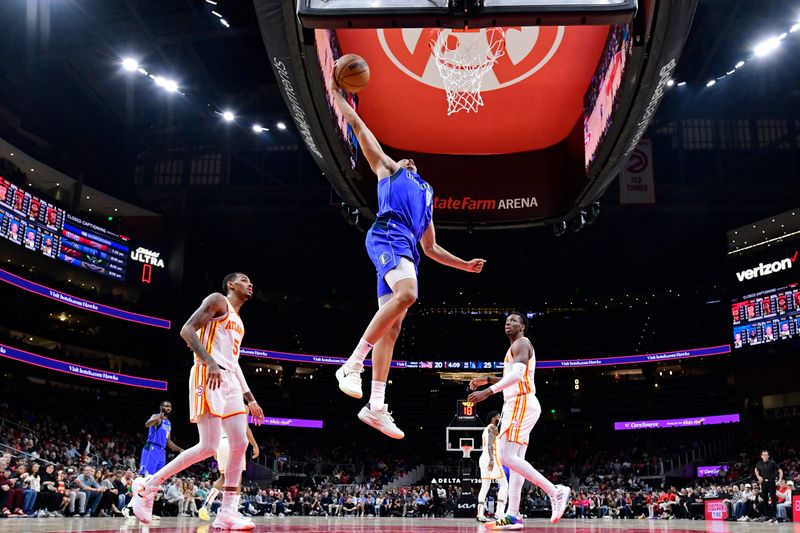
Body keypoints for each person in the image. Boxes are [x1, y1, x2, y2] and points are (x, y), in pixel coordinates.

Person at [329, 74, 486, 439]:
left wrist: (464, 264)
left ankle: (376, 406)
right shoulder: (389, 170)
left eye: (414, 159)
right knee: (409, 295)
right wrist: (339, 96)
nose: (410, 159)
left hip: (407, 251)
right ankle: (351, 364)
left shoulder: (428, 195)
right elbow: (358, 126)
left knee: (394, 325)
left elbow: (430, 247)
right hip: (387, 236)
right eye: (405, 157)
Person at [131, 272, 265, 530]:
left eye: (251, 281)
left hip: (230, 383)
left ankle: (227, 512)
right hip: (208, 374)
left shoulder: (239, 322)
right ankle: (148, 487)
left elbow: (234, 363)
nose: (251, 284)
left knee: (239, 444)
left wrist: (250, 398)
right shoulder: (218, 301)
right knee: (209, 445)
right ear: (230, 284)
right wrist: (210, 361)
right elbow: (186, 330)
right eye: (245, 280)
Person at [468, 313, 570, 529]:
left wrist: (488, 391)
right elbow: (513, 375)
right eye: (507, 320)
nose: (508, 322)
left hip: (520, 403)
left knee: (505, 456)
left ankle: (555, 491)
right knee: (516, 463)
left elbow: (517, 377)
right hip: (519, 404)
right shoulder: (516, 347)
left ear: (523, 326)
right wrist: (488, 378)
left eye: (514, 320)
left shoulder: (521, 343)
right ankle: (513, 515)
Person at [198, 420, 260, 521]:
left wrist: (215, 446)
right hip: (234, 443)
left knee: (223, 477)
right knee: (237, 479)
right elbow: (246, 429)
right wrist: (255, 445)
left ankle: (206, 506)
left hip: (220, 443)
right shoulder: (243, 406)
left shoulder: (220, 405)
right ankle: (233, 512)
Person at [477, 410, 508, 522]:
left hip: (483, 458)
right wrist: (491, 459)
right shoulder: (493, 428)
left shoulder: (485, 429)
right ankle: (499, 513)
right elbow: (490, 445)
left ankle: (480, 514)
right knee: (504, 485)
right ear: (494, 418)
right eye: (499, 416)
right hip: (491, 457)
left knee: (484, 486)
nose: (500, 418)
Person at [755, 450, 782, 522]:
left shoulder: (772, 463)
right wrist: (758, 476)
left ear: (768, 456)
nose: (765, 456)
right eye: (763, 455)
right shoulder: (759, 463)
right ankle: (767, 515)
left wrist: (779, 480)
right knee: (765, 499)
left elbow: (780, 471)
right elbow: (756, 469)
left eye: (766, 455)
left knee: (773, 499)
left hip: (771, 481)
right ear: (761, 456)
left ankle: (774, 516)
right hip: (764, 482)